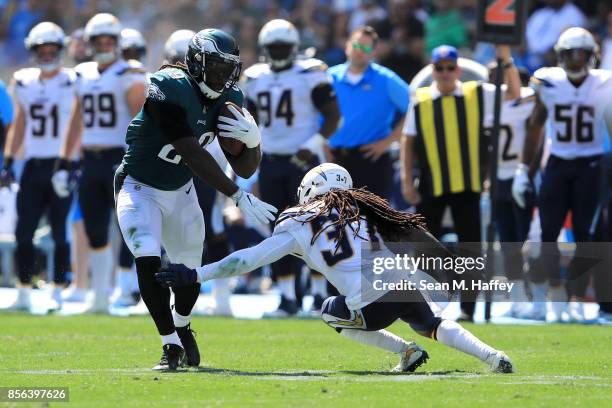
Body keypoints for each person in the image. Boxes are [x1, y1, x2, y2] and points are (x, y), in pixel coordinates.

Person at [156, 163, 514, 374]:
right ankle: (492, 356)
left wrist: (197, 273)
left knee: (329, 310)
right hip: (404, 284)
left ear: (310, 189)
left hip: (370, 303)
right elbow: (417, 237)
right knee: (432, 324)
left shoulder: (298, 220)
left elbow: (248, 259)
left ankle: (404, 352)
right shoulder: (367, 207)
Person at [115, 28, 277, 371]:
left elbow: (245, 168)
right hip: (139, 187)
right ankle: (169, 344)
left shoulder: (230, 96)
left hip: (181, 193)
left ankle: (183, 324)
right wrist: (235, 194)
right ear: (197, 63)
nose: (224, 76)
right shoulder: (168, 85)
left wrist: (253, 142)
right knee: (147, 256)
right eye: (217, 66)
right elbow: (189, 151)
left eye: (228, 68)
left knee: (189, 272)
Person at [400, 44, 520, 321]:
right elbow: (408, 141)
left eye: (449, 68)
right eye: (439, 68)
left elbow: (514, 93)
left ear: (458, 69)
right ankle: (428, 303)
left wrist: (507, 60)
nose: (444, 73)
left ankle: (468, 308)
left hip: (468, 183)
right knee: (424, 246)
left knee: (471, 247)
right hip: (432, 183)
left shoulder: (476, 93)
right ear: (433, 70)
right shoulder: (420, 99)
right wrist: (407, 180)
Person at [512, 27, 612, 322]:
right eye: (572, 53)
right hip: (557, 164)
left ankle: (578, 301)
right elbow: (535, 127)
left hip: (591, 166)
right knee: (547, 235)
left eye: (583, 53)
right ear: (561, 55)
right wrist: (522, 168)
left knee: (586, 237)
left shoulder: (604, 83)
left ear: (591, 56)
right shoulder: (548, 81)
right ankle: (545, 301)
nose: (578, 59)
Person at [243, 19, 341, 316]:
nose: (278, 52)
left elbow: (334, 118)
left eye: (283, 47)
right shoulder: (255, 77)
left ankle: (318, 295)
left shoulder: (309, 72)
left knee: (315, 227)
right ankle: (287, 298)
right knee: (279, 229)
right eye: (273, 48)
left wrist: (310, 145)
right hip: (271, 160)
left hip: (305, 162)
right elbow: (251, 122)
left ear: (294, 47)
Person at [51, 13, 148, 313]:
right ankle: (101, 296)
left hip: (121, 157)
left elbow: (142, 119)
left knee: (127, 225)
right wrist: (64, 161)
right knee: (93, 227)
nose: (105, 45)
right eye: (99, 40)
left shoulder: (129, 73)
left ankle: (126, 288)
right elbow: (76, 120)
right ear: (91, 43)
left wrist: (141, 158)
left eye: (110, 40)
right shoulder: (82, 73)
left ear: (117, 42)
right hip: (90, 160)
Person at [1, 22, 76, 312]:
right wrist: (8, 162)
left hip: (61, 165)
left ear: (60, 49)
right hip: (32, 165)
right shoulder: (24, 81)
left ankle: (58, 289)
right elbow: (18, 124)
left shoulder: (73, 80)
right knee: (24, 231)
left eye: (52, 48)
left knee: (60, 231)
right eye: (42, 49)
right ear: (34, 50)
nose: (47, 53)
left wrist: (71, 162)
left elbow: (79, 124)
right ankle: (23, 289)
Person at [327, 25, 409, 201]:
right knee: (337, 221)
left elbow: (414, 108)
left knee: (374, 223)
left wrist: (389, 141)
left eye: (366, 48)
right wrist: (321, 142)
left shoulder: (386, 79)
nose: (359, 52)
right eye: (356, 46)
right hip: (335, 159)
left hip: (373, 161)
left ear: (373, 52)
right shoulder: (329, 77)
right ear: (347, 46)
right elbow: (312, 111)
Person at [487, 64, 535, 318]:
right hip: (499, 178)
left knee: (530, 237)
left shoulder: (524, 101)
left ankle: (536, 295)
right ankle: (517, 295)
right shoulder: (487, 105)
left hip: (523, 175)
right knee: (507, 240)